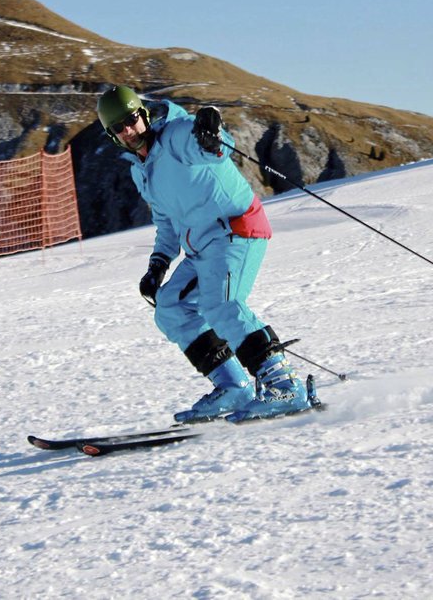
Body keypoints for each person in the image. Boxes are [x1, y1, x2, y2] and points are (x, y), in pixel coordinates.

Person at [96, 85, 312, 423]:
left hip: (236, 228)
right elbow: (166, 221)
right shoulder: (142, 172)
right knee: (170, 308)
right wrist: (157, 265)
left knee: (221, 305)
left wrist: (211, 132)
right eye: (119, 127)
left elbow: (214, 148)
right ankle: (234, 387)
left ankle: (285, 386)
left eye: (132, 119)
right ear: (112, 136)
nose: (129, 129)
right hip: (204, 246)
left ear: (144, 114)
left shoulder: (176, 136)